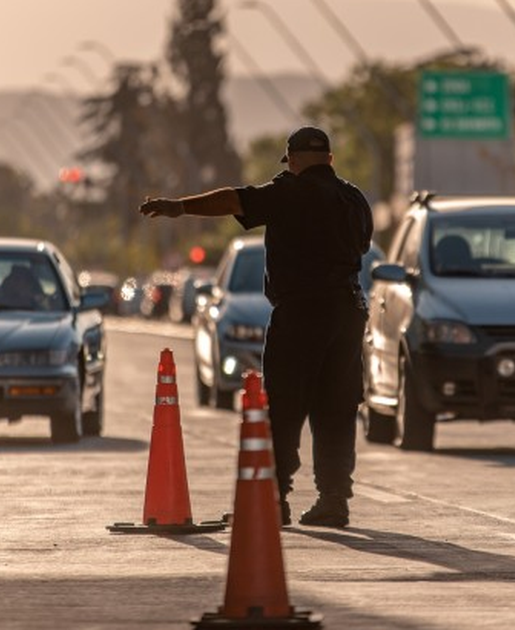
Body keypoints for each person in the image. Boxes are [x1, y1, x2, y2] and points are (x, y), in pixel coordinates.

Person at [140, 126, 372, 528]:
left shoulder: (287, 192)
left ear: (294, 160)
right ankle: (334, 500)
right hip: (346, 313)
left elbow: (233, 199)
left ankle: (273, 498)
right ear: (330, 160)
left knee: (283, 406)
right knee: (336, 406)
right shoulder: (354, 199)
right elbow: (363, 246)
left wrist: (178, 206)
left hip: (301, 312)